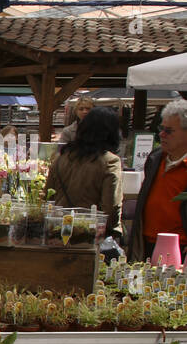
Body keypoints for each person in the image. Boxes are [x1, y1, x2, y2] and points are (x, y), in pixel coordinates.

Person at [44, 106, 124, 234]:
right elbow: (111, 206)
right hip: (90, 234)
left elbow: (48, 195)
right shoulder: (110, 161)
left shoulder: (61, 158)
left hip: (59, 230)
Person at [128, 98, 187, 261]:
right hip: (146, 243)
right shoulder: (155, 158)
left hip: (180, 249)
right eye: (161, 128)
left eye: (169, 131)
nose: (161, 134)